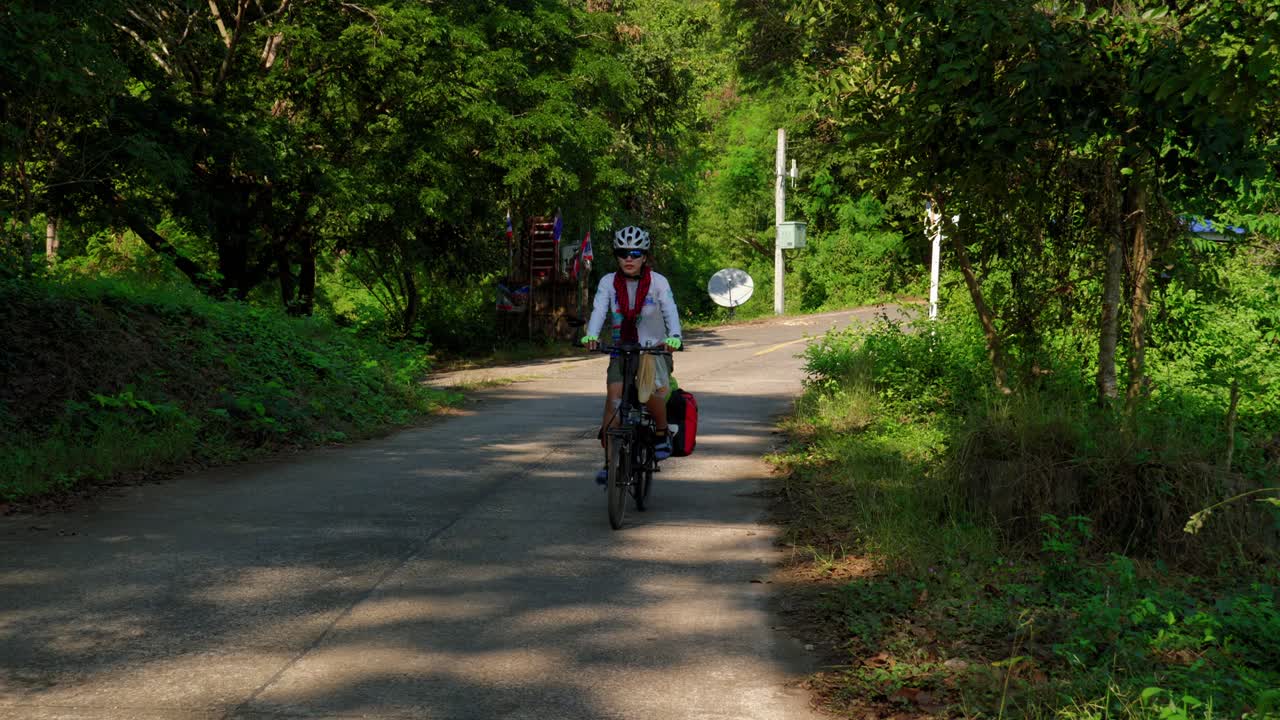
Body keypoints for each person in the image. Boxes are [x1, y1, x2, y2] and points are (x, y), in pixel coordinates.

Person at [581, 226, 682, 484]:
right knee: (614, 399)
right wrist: (591, 336)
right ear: (616, 256)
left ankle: (661, 433)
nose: (629, 258)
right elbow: (598, 311)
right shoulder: (607, 282)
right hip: (621, 349)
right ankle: (610, 463)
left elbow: (670, 310)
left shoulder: (658, 282)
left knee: (649, 393)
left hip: (654, 349)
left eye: (635, 253)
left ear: (644, 257)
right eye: (623, 253)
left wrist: (675, 337)